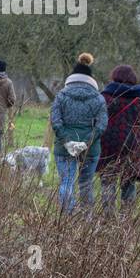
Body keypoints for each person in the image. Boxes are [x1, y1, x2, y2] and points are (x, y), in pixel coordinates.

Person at [50, 52, 108, 213]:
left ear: (71, 77)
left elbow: (55, 121)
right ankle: (86, 220)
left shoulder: (61, 96)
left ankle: (66, 218)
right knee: (86, 184)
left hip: (63, 147)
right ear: (91, 79)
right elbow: (102, 125)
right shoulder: (98, 98)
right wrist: (86, 142)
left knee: (66, 182)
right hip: (90, 149)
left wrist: (67, 141)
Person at [98, 63, 140, 211]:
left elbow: (96, 122)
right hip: (134, 147)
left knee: (108, 181)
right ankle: (126, 221)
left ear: (114, 77)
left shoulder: (104, 98)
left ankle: (107, 218)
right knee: (129, 182)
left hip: (108, 146)